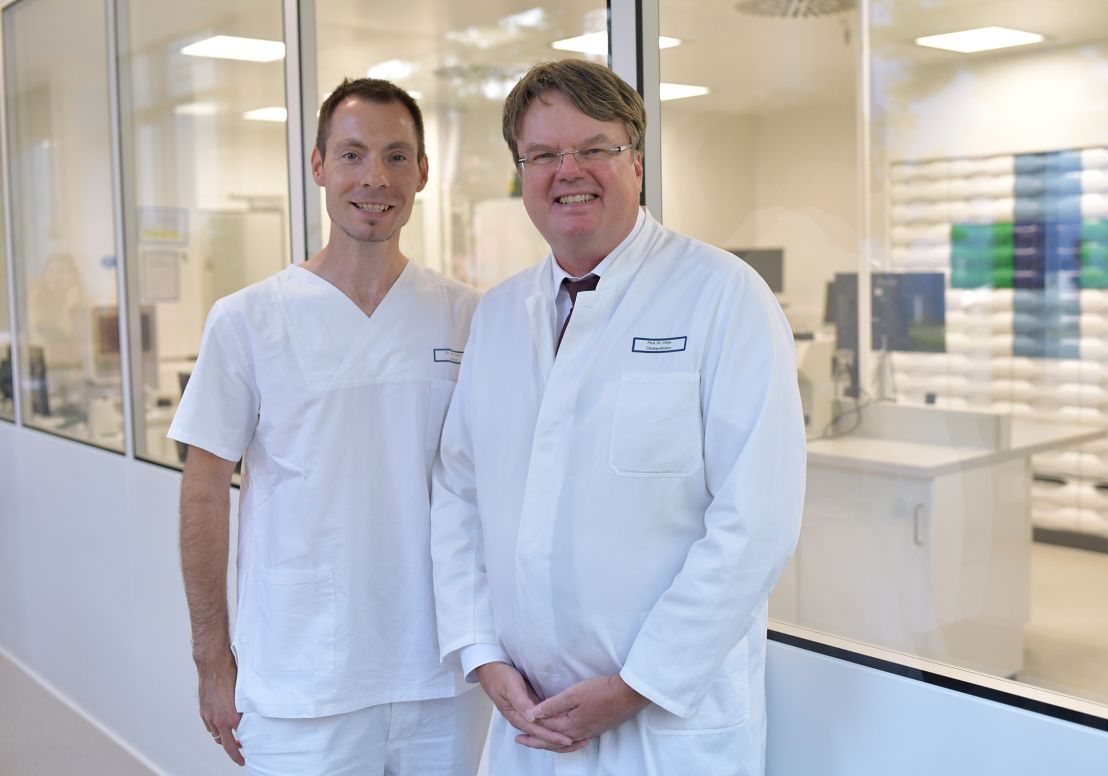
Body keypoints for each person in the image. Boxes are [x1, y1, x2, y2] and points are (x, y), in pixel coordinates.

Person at [430, 60, 806, 774]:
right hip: (529, 719)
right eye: (542, 155)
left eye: (594, 148)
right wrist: (481, 652)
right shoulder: (501, 316)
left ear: (636, 160)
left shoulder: (723, 297)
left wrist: (639, 684)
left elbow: (756, 520)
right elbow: (459, 496)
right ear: (522, 176)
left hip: (666, 722)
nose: (567, 171)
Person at [170, 77, 490, 775]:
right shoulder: (249, 320)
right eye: (351, 155)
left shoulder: (468, 316)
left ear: (424, 173)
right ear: (317, 166)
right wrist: (211, 656)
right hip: (301, 681)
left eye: (397, 157)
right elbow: (202, 493)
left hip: (442, 676)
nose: (374, 178)